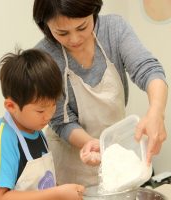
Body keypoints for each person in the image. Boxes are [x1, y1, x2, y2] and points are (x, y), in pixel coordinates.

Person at [33, 0, 168, 187]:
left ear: (94, 11)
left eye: (82, 27)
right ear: (45, 26)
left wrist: (156, 112)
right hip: (70, 164)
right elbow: (61, 121)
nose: (74, 39)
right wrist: (92, 144)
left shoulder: (113, 29)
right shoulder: (43, 57)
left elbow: (148, 69)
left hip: (115, 149)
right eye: (62, 33)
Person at [0, 49, 84, 200]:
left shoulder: (36, 130)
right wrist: (57, 194)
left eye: (53, 105)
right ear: (11, 106)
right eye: (40, 110)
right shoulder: (2, 139)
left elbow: (42, 186)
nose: (48, 116)